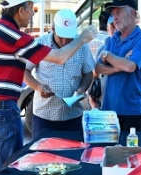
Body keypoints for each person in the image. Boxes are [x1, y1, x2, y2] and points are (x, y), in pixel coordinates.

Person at [0, 0, 97, 175]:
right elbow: (59, 57)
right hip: (5, 110)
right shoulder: (14, 36)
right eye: (31, 9)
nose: (32, 15)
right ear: (21, 10)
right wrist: (83, 38)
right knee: (12, 168)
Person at [26, 9, 95, 138]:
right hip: (44, 115)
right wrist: (38, 87)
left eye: (68, 38)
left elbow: (88, 73)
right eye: (61, 37)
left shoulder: (82, 45)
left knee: (72, 156)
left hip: (72, 116)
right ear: (52, 28)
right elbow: (24, 71)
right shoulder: (40, 44)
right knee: (43, 156)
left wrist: (82, 89)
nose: (64, 41)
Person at [97, 0, 141, 131]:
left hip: (132, 111)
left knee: (130, 152)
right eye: (113, 14)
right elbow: (98, 68)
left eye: (118, 12)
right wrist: (116, 64)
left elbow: (130, 66)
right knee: (108, 151)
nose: (114, 17)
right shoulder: (114, 38)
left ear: (132, 13)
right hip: (109, 111)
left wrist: (107, 56)